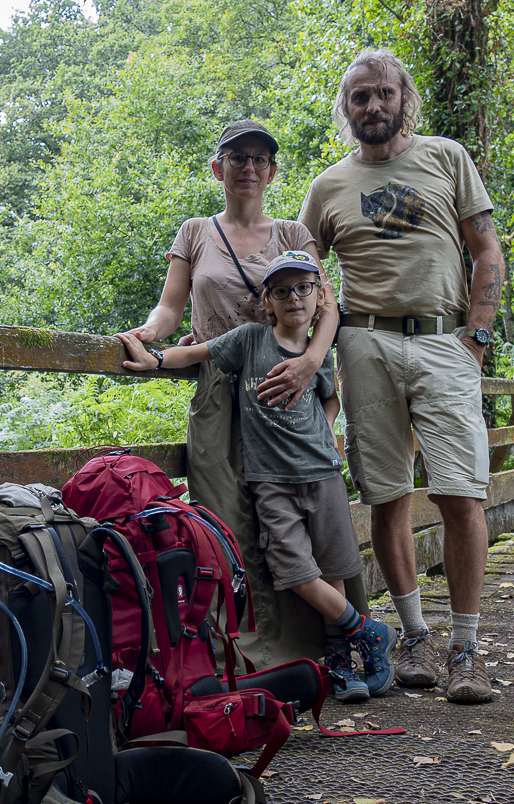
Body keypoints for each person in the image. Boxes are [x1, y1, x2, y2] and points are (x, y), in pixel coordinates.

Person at [297, 48, 506, 704]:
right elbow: (302, 275)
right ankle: (415, 636)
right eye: (360, 98)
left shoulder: (447, 158)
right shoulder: (329, 186)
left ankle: (466, 648)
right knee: (386, 494)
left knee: (459, 492)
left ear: (403, 98)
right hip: (366, 344)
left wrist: (478, 334)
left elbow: (486, 248)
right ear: (347, 109)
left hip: (445, 338)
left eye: (383, 93)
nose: (373, 106)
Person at [117, 251, 397, 702]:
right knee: (295, 571)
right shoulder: (250, 339)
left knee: (334, 567)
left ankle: (341, 659)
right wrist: (156, 359)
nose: (293, 297)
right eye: (282, 290)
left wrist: (327, 428)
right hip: (269, 480)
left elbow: (331, 398)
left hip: (322, 473)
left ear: (317, 296)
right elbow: (198, 351)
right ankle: (370, 630)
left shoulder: (316, 352)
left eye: (303, 288)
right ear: (267, 302)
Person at [120, 119, 346, 669]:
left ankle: (320, 649)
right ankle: (246, 656)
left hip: (286, 388)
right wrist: (151, 337)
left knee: (303, 519)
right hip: (221, 391)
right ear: (217, 168)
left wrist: (310, 364)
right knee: (227, 515)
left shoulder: (293, 234)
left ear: (272, 170)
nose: (249, 167)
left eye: (260, 159)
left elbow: (328, 305)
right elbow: (171, 307)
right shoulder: (196, 231)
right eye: (237, 157)